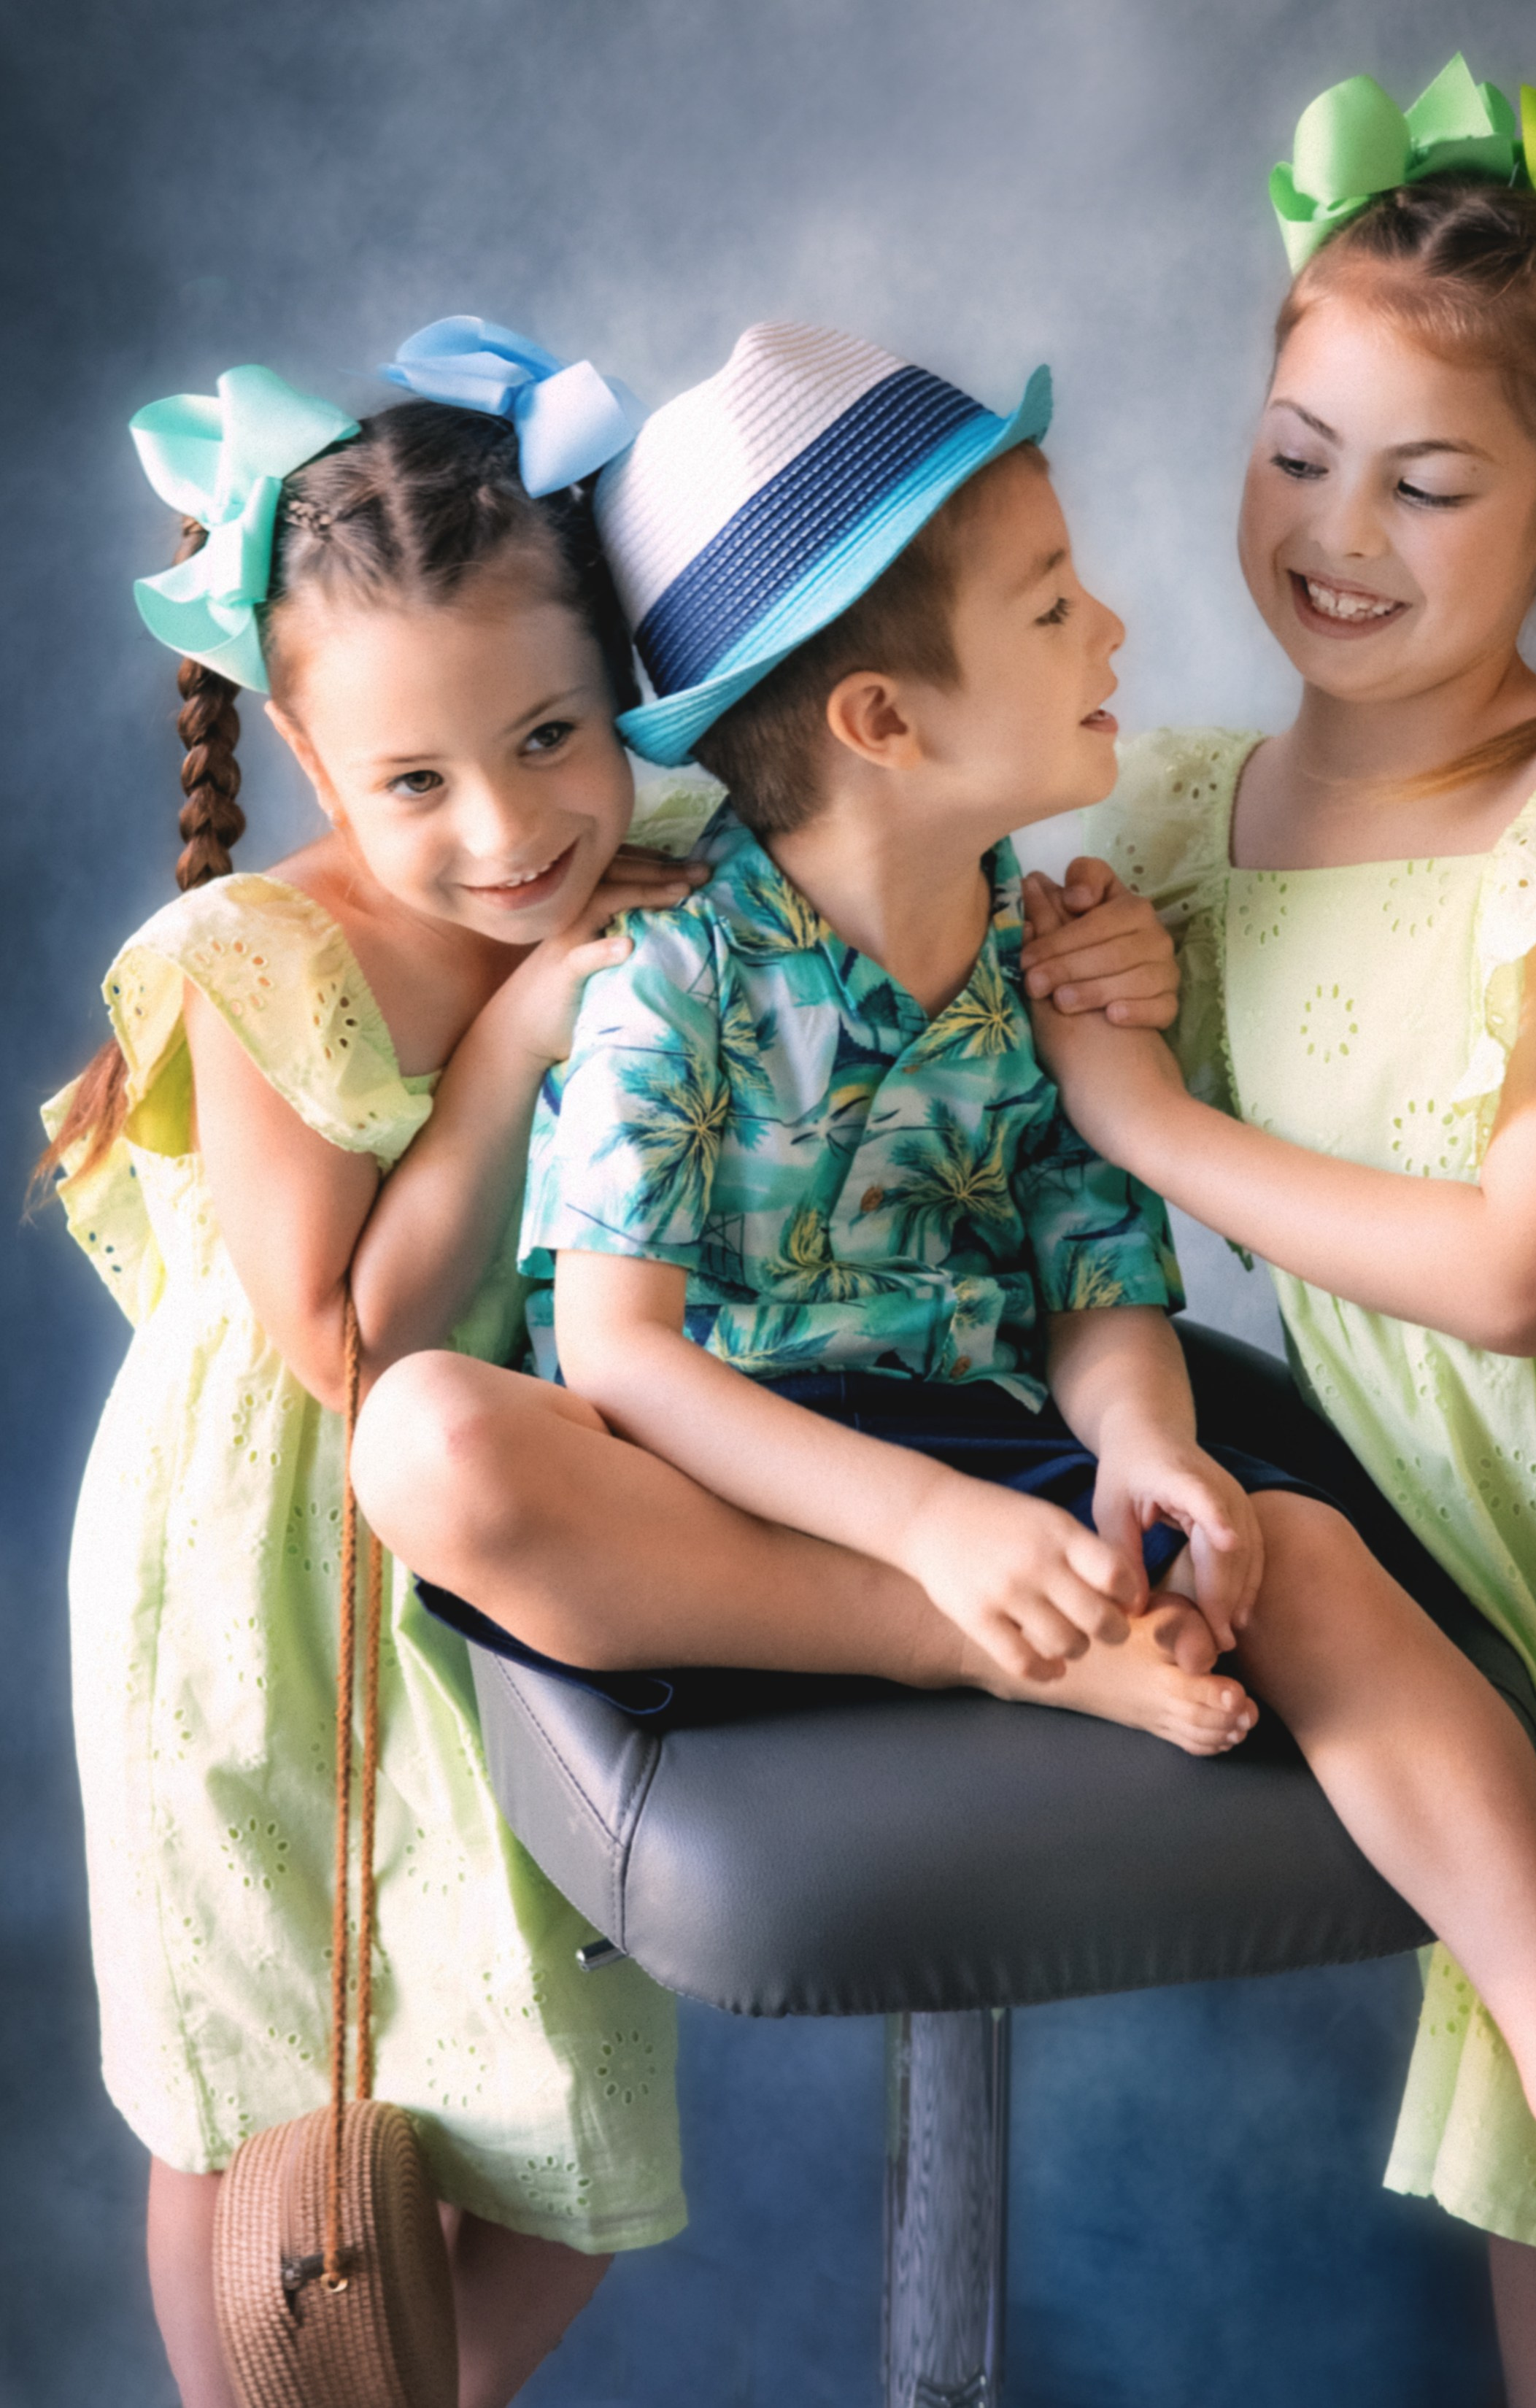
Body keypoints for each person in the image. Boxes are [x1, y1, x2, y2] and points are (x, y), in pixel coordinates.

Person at [355, 319, 1536, 2408]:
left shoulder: (1040, 960)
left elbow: (1099, 1267)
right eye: (1049, 604)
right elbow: (630, 1359)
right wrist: (938, 1550)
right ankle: (986, 1644)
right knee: (433, 1441)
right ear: (881, 719)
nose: (1115, 619)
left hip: (992, 1455)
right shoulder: (674, 980)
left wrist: (1143, 1449)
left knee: (1325, 1577)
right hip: (724, 1501)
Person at [1026, 57, 1536, 2407]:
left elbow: (1523, 1268)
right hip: (1470, 1619)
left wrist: (1154, 1113)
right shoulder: (1186, 816)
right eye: (1297, 449)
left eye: (1430, 479)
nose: (1338, 528)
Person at [37, 329, 707, 2408]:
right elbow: (344, 1338)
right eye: (417, 781)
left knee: (529, 2074)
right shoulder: (269, 962)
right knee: (248, 2071)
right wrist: (511, 1042)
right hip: (252, 1573)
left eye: (551, 737)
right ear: (319, 769)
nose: (510, 830)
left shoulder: (652, 862)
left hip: (496, 1527)